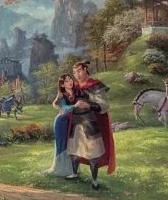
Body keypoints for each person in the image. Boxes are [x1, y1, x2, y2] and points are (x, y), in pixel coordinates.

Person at [66, 61, 116, 189]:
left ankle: (94, 181)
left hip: (90, 123)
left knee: (93, 154)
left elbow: (104, 106)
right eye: (74, 72)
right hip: (75, 123)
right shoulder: (74, 86)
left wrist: (89, 105)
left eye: (79, 71)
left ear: (85, 69)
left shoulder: (94, 85)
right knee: (73, 151)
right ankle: (75, 173)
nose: (77, 75)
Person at [45, 73, 78, 177]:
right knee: (62, 145)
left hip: (71, 122)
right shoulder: (62, 95)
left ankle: (71, 169)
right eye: (66, 81)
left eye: (70, 79)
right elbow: (64, 108)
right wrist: (75, 106)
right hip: (61, 121)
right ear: (62, 85)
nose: (70, 82)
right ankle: (60, 168)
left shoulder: (76, 92)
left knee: (71, 145)